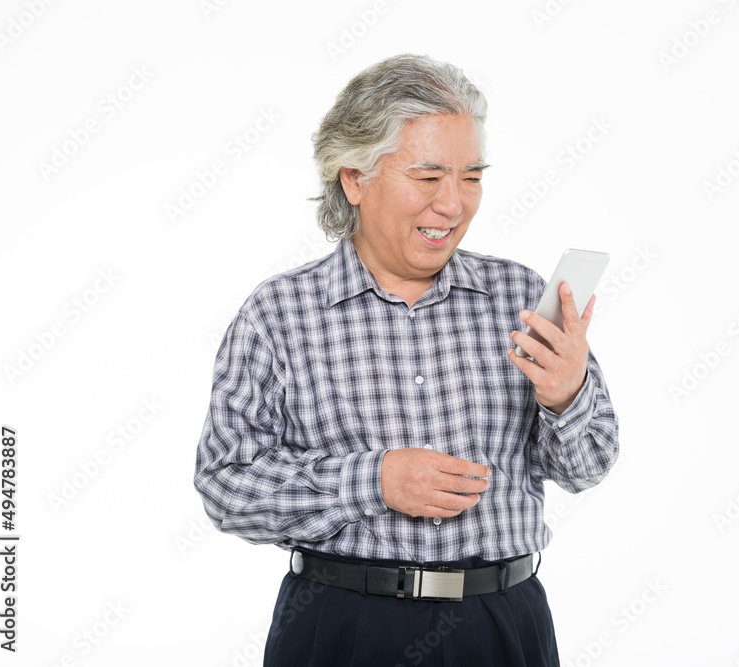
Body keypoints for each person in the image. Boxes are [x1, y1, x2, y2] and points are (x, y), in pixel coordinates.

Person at [194, 53, 619, 666]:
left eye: (471, 177)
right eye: (428, 176)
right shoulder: (278, 313)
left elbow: (588, 466)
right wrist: (375, 482)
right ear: (354, 180)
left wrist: (566, 397)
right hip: (342, 627)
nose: (453, 204)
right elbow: (226, 485)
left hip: (503, 627)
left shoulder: (522, 298)